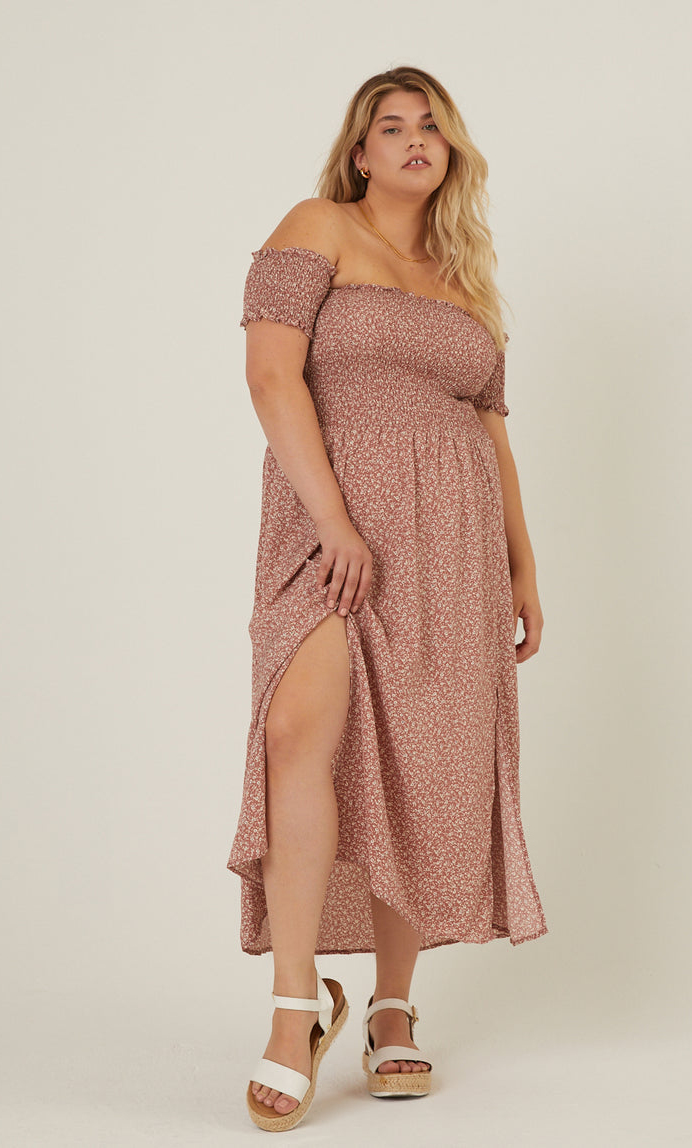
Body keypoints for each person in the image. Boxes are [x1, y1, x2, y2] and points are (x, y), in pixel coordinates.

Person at [228, 65, 548, 1132]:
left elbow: (491, 430)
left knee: (420, 763)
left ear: (449, 151)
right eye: (391, 125)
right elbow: (271, 377)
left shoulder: (464, 278)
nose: (415, 139)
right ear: (360, 152)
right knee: (297, 732)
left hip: (453, 547)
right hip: (332, 534)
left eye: (432, 126)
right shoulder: (317, 225)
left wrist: (523, 564)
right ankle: (295, 1009)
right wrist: (334, 522)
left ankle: (394, 1004)